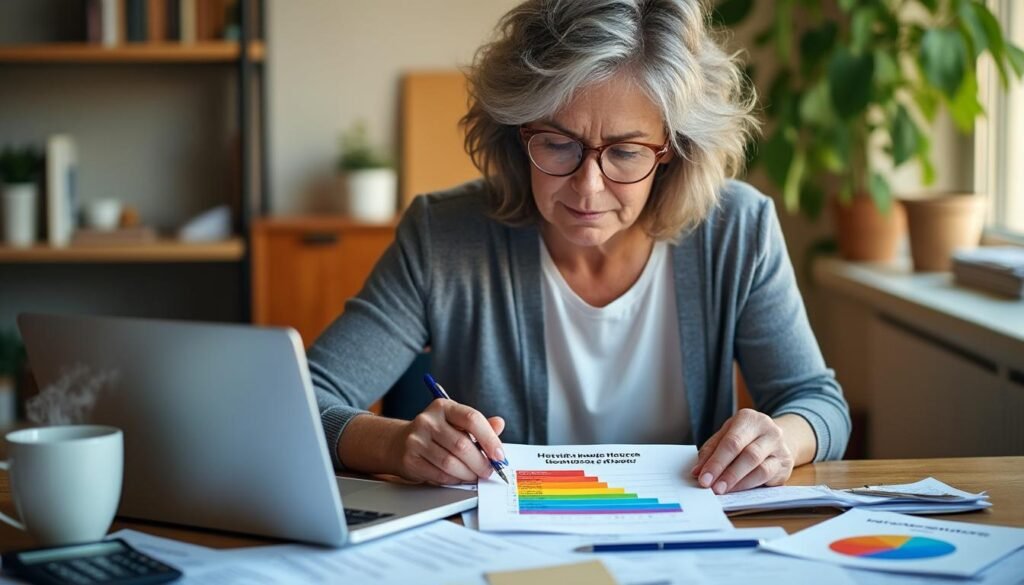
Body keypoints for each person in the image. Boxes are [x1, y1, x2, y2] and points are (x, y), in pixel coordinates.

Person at [309, 0, 850, 495]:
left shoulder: (738, 230)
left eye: (626, 152)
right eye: (558, 143)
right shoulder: (445, 236)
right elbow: (305, 399)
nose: (588, 187)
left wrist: (781, 439)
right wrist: (395, 444)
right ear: (517, 133)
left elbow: (819, 405)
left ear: (672, 151)